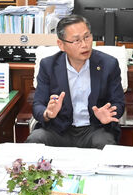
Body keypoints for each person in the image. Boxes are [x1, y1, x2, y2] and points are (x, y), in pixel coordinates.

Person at [26, 14, 125, 149]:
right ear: (61, 45)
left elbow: (118, 102)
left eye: (87, 37)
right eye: (77, 40)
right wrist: (48, 113)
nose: (84, 45)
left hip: (94, 129)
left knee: (105, 144)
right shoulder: (48, 66)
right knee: (35, 139)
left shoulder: (109, 64)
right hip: (58, 130)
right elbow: (38, 104)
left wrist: (109, 113)